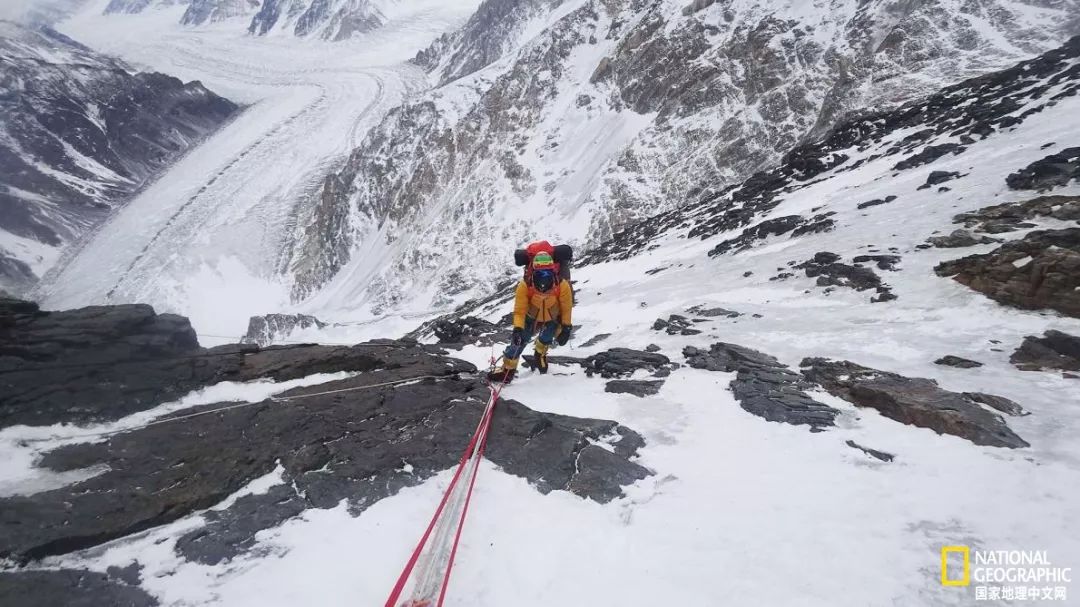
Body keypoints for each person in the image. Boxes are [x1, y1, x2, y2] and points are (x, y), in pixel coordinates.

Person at [488, 250, 572, 383]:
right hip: (531, 317)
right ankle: (507, 371)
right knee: (518, 342)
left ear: (553, 271)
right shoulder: (525, 285)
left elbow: (566, 308)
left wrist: (566, 327)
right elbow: (520, 310)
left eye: (547, 273)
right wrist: (517, 329)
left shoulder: (562, 286)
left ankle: (540, 354)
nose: (543, 277)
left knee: (546, 338)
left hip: (552, 318)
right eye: (540, 273)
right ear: (533, 271)